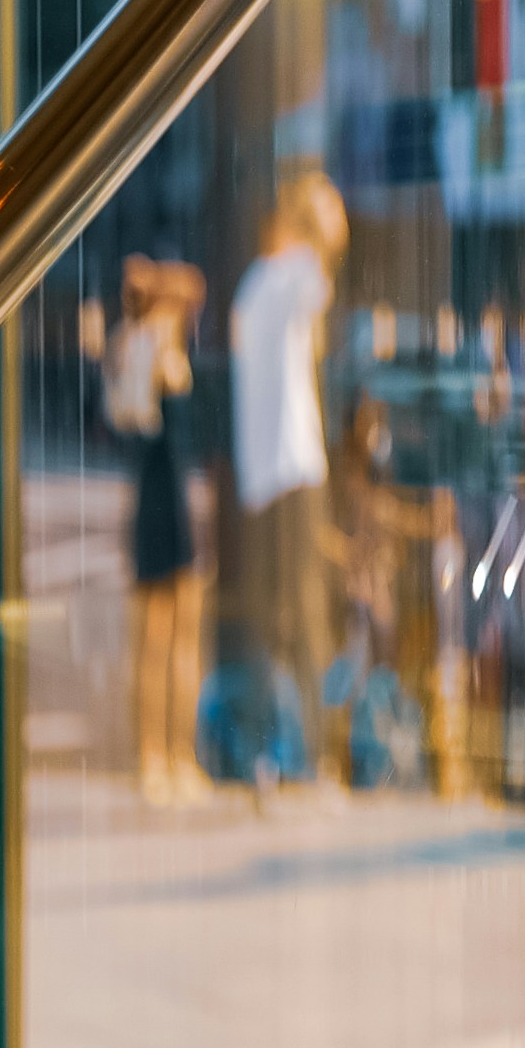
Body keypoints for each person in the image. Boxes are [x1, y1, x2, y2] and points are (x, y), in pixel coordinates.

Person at [212, 169, 344, 790]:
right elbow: (326, 264)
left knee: (272, 617)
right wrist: (321, 214)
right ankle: (312, 756)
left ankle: (272, 753)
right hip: (293, 466)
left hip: (261, 477)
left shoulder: (248, 291)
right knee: (307, 613)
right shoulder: (288, 277)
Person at [102, 259, 206, 800]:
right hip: (154, 505)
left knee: (182, 637)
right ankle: (152, 755)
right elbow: (132, 416)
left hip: (175, 505)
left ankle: (180, 754)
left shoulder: (167, 355)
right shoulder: (142, 351)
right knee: (155, 639)